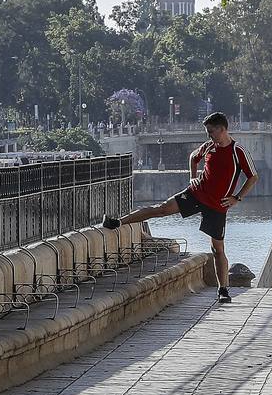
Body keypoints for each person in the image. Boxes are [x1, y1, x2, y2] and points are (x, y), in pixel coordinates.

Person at [104, 112, 257, 303]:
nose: (209, 136)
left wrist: (237, 198)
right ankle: (118, 221)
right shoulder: (209, 146)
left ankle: (223, 290)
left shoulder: (238, 151)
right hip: (196, 194)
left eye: (211, 132)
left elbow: (253, 177)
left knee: (217, 248)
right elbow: (194, 157)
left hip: (218, 205)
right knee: (161, 209)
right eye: (207, 132)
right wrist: (192, 177)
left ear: (222, 129)